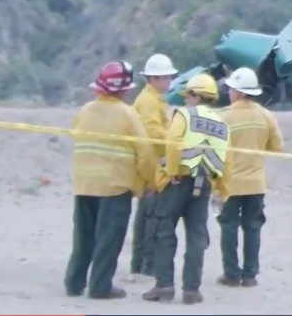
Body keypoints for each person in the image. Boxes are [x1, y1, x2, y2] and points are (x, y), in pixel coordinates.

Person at [64, 61, 157, 300]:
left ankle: (74, 282)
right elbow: (145, 153)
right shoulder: (128, 114)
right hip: (115, 187)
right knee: (108, 238)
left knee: (83, 236)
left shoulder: (84, 110)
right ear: (124, 89)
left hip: (84, 184)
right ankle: (100, 286)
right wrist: (151, 183)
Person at [143, 73, 229, 305]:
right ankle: (191, 289)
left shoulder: (185, 114)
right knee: (196, 237)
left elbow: (173, 142)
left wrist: (171, 171)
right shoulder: (220, 122)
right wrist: (222, 188)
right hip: (204, 185)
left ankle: (164, 286)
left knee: (164, 233)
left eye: (188, 95)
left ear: (194, 95)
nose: (186, 99)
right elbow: (224, 157)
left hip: (177, 181)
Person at [214, 67, 284, 288]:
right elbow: (276, 147)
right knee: (253, 227)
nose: (230, 93)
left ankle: (231, 274)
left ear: (240, 92)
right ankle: (250, 274)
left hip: (229, 184)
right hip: (255, 183)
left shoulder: (222, 116)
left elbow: (213, 148)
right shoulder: (266, 116)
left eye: (232, 89)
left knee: (228, 227)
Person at [128, 53, 178, 277]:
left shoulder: (152, 99)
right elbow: (152, 134)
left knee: (145, 216)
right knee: (151, 217)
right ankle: (147, 264)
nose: (169, 82)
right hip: (151, 167)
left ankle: (140, 262)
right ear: (154, 79)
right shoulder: (148, 102)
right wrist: (176, 138)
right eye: (166, 77)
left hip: (151, 165)